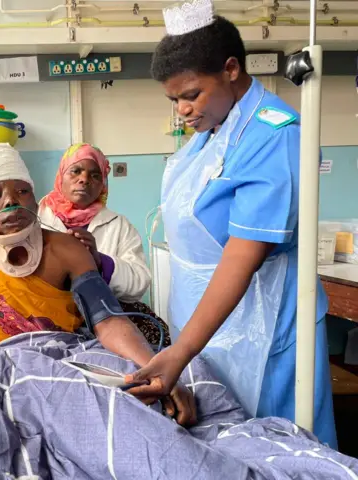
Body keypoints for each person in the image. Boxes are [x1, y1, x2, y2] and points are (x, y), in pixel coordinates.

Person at [125, 3, 337, 448]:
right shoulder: (213, 130)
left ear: (231, 69)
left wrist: (181, 352)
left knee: (276, 447)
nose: (182, 110)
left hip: (264, 328)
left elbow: (243, 254)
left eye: (191, 94)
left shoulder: (275, 135)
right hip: (212, 327)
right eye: (174, 99)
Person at [0, 142, 196, 426]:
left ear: (35, 198)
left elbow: (108, 319)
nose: (11, 201)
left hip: (71, 347)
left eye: (22, 191)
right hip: (0, 365)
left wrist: (157, 372)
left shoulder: (72, 247)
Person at [39, 143, 170, 347]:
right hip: (47, 314)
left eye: (95, 175)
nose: (84, 179)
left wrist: (100, 262)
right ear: (61, 176)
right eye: (76, 171)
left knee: (156, 342)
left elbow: (139, 283)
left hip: (105, 315)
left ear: (103, 185)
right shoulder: (36, 220)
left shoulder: (119, 225)